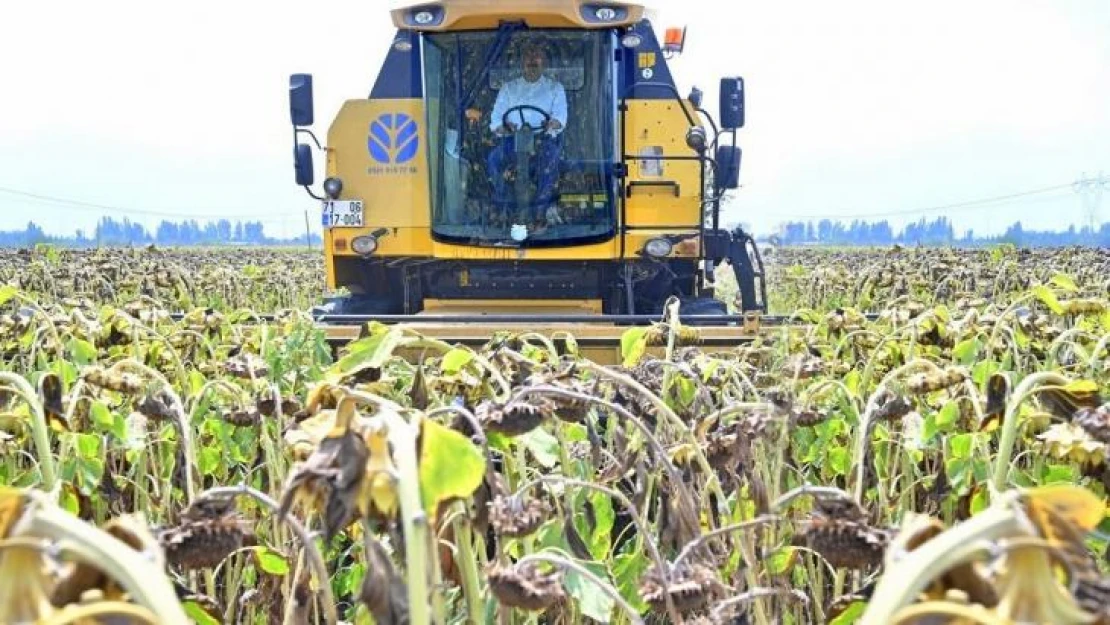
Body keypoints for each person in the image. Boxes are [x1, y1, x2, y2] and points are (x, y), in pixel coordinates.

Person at [486, 42, 567, 224]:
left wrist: (552, 123)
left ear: (543, 60)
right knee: (493, 160)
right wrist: (503, 127)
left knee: (552, 159)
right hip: (512, 142)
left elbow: (561, 118)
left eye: (536, 55)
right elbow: (496, 120)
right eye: (528, 55)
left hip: (542, 141)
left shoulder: (555, 88)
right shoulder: (508, 88)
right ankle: (505, 206)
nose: (532, 60)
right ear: (522, 61)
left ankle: (540, 211)